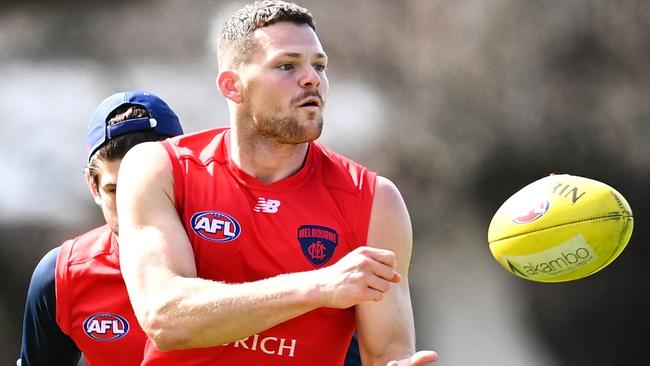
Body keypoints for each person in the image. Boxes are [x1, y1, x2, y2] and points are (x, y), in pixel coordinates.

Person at [116, 1, 438, 365]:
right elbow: (165, 317)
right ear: (232, 86)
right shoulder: (161, 168)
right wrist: (317, 287)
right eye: (287, 65)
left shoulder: (375, 200)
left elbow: (387, 354)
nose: (312, 78)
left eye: (319, 66)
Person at [18, 91, 184, 366]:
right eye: (115, 189)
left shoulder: (236, 254)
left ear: (186, 175)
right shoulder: (61, 277)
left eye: (150, 184)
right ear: (93, 186)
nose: (134, 203)